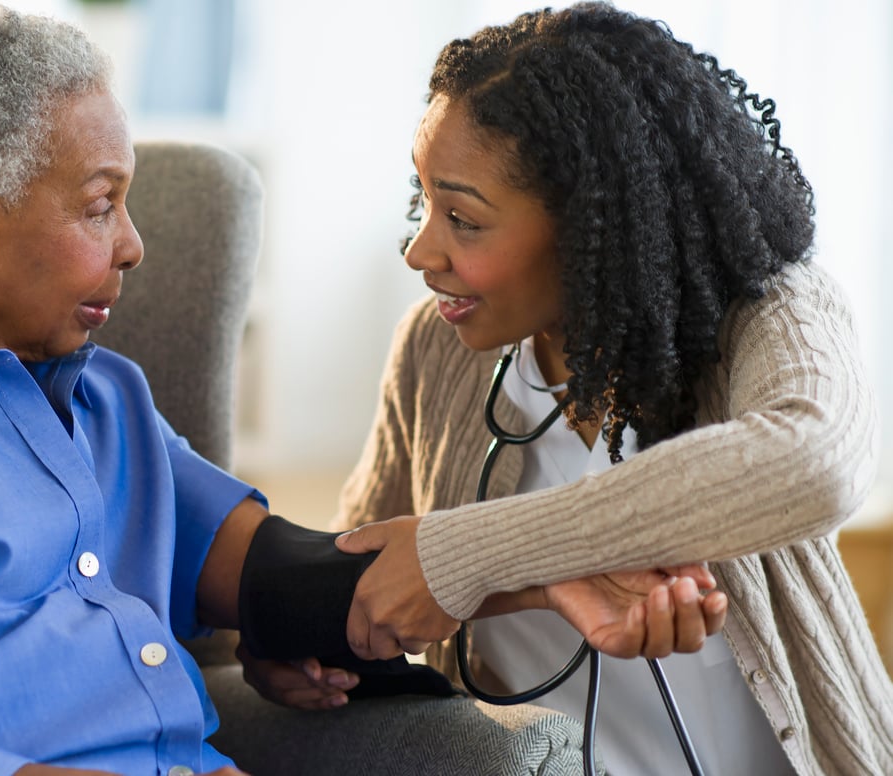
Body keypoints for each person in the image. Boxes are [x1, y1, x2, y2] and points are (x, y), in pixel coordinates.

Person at [0, 5, 727, 776]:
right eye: (100, 205)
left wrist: (550, 576)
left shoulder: (103, 401)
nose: (134, 244)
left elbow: (290, 578)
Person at [241, 3, 892, 775]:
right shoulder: (435, 349)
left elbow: (814, 464)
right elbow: (374, 569)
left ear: (592, 225)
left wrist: (470, 555)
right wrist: (309, 646)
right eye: (425, 202)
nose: (420, 251)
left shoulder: (770, 311)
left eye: (463, 218)